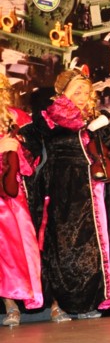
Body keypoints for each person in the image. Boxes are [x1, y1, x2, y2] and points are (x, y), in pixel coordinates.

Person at [20, 69, 110, 321]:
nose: (82, 94)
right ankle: (60, 302)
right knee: (63, 243)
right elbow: (57, 126)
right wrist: (68, 98)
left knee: (96, 244)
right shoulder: (49, 115)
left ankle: (93, 298)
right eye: (76, 90)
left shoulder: (95, 117)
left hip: (94, 186)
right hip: (63, 185)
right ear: (62, 92)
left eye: (86, 90)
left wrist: (104, 131)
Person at [0, 73, 42, 326]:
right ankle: (9, 304)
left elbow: (35, 152)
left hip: (14, 191)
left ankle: (19, 297)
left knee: (18, 246)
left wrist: (18, 146)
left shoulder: (16, 116)